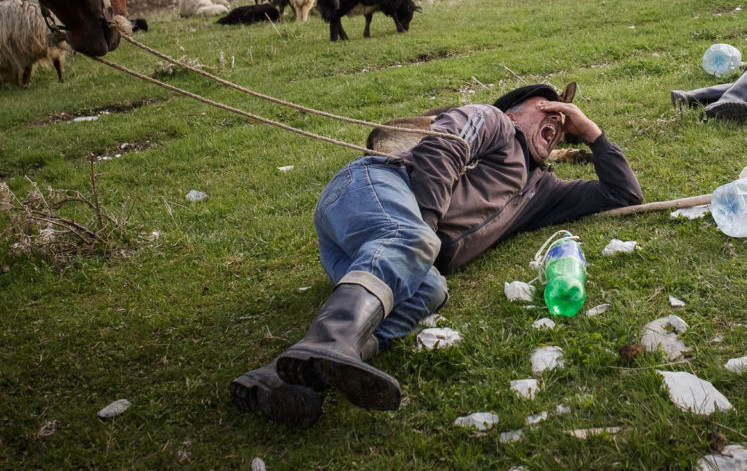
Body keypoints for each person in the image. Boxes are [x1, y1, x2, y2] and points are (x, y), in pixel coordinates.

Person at [230, 83, 643, 427]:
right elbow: (441, 151)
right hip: (372, 188)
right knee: (416, 245)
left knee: (430, 289)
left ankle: (280, 378)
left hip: (374, 251)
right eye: (546, 108)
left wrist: (593, 133)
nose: (556, 118)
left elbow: (623, 193)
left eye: (563, 119)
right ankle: (332, 341)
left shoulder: (543, 191)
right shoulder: (493, 120)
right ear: (515, 113)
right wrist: (424, 232)